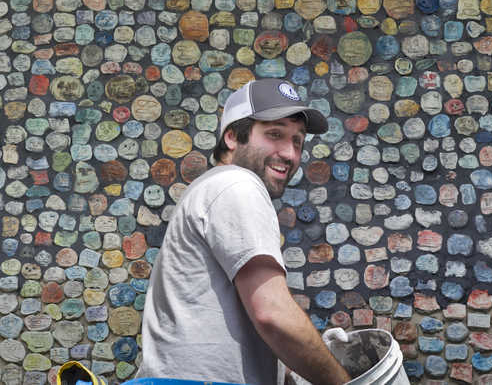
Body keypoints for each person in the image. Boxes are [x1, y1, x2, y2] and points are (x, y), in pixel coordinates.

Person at [138, 78, 351, 385]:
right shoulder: (237, 185)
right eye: (275, 134)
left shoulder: (210, 188)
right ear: (231, 137)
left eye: (297, 141)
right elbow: (272, 314)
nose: (290, 154)